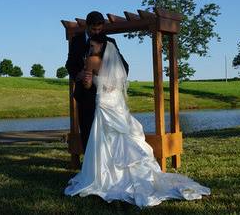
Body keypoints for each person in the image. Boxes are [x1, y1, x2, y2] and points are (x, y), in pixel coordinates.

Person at [64, 34, 210, 207]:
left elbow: (88, 84)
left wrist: (86, 80)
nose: (91, 48)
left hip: (104, 104)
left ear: (101, 46)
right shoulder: (116, 65)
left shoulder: (91, 60)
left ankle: (105, 176)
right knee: (125, 137)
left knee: (105, 138)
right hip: (117, 104)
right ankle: (130, 173)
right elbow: (117, 84)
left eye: (93, 46)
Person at [65, 11, 129, 153]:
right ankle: (91, 162)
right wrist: (78, 74)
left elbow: (124, 67)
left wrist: (110, 81)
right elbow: (69, 64)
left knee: (110, 132)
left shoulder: (110, 43)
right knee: (87, 129)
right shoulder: (76, 41)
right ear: (87, 26)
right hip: (85, 95)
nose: (96, 32)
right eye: (93, 29)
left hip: (106, 96)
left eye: (99, 29)